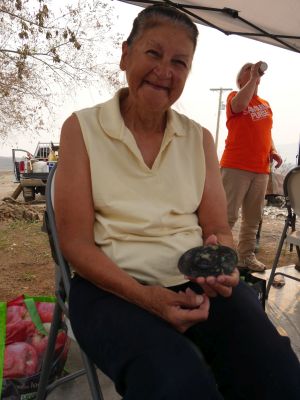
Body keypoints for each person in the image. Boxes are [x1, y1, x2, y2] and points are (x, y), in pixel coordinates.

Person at [55, 5, 300, 399]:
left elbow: (217, 227)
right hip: (110, 287)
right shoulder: (82, 129)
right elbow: (76, 243)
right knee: (177, 382)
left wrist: (221, 262)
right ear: (125, 55)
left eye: (179, 62)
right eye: (153, 53)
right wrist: (147, 298)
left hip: (195, 282)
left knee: (276, 368)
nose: (165, 71)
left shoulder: (198, 138)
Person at [220, 62, 283, 272]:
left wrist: (273, 150)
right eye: (248, 69)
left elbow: (266, 132)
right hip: (236, 165)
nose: (253, 70)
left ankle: (245, 257)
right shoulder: (233, 97)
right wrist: (252, 79)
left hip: (261, 169)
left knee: (253, 218)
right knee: (227, 215)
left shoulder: (265, 104)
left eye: (255, 70)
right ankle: (216, 256)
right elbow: (239, 106)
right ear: (240, 80)